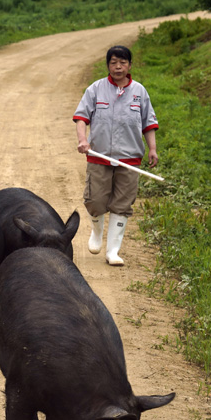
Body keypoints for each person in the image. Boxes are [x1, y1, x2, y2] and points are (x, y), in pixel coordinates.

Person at [73, 45, 159, 266]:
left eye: (122, 62)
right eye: (113, 62)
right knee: (95, 200)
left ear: (130, 65)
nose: (118, 67)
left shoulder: (140, 92)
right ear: (108, 65)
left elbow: (148, 123)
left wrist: (152, 149)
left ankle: (113, 251)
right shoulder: (95, 89)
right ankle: (96, 232)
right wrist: (83, 140)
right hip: (99, 155)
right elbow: (82, 117)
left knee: (122, 204)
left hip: (129, 159)